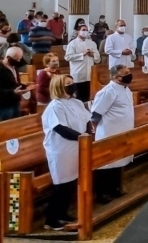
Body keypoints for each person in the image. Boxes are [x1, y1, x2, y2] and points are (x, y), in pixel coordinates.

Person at [41, 74, 90, 231]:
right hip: (61, 149)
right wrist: (82, 137)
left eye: (72, 82)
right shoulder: (55, 106)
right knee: (62, 184)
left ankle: (62, 213)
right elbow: (60, 128)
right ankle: (51, 218)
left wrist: (88, 132)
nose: (72, 85)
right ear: (59, 87)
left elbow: (86, 119)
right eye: (68, 84)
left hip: (77, 147)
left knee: (71, 183)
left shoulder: (76, 102)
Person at [89, 66, 135, 203]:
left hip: (123, 131)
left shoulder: (127, 89)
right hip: (109, 133)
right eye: (125, 74)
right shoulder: (107, 92)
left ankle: (115, 188)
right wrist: (95, 133)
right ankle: (102, 193)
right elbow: (96, 115)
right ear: (116, 77)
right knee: (106, 165)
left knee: (119, 161)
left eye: (129, 72)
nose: (129, 75)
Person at [0, 47, 31, 121]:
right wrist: (13, 92)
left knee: (16, 126)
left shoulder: (14, 67)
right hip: (4, 105)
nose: (19, 61)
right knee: (6, 128)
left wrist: (25, 87)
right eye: (17, 59)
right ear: (8, 57)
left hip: (15, 102)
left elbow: (14, 82)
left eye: (20, 58)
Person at [65, 24, 100, 102]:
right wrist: (82, 54)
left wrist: (92, 54)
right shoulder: (72, 43)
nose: (85, 32)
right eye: (83, 30)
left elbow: (98, 58)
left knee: (87, 96)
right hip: (78, 73)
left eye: (86, 30)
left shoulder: (92, 43)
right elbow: (68, 57)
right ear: (78, 31)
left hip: (89, 74)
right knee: (78, 96)